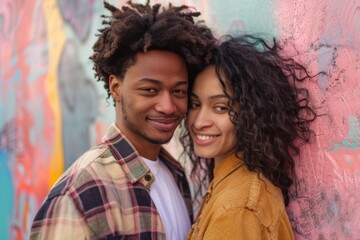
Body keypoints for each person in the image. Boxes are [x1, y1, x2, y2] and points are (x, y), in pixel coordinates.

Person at [30, 1, 214, 239]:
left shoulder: (175, 174)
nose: (168, 107)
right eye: (149, 90)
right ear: (116, 87)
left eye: (179, 91)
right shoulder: (79, 193)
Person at [181, 35, 318, 239]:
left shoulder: (237, 209)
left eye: (220, 107)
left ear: (251, 113)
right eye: (194, 104)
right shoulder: (232, 183)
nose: (199, 122)